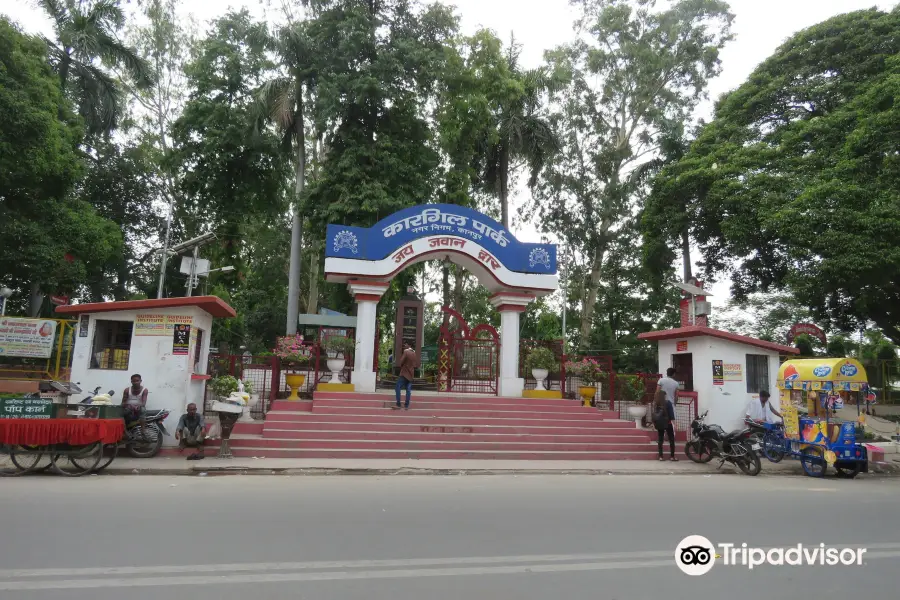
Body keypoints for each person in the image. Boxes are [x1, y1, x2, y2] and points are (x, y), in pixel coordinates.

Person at [651, 389, 677, 461]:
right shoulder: (668, 403)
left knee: (660, 440)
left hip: (659, 424)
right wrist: (674, 425)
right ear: (664, 396)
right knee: (671, 440)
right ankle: (672, 456)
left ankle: (661, 456)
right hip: (668, 423)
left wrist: (653, 423)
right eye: (665, 395)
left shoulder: (656, 403)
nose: (666, 396)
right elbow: (671, 415)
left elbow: (654, 415)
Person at [122, 374, 148, 438]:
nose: (135, 382)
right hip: (128, 408)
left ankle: (143, 431)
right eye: (134, 381)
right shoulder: (127, 390)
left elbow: (144, 403)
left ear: (140, 381)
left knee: (143, 409)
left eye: (137, 381)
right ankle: (125, 432)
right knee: (120, 414)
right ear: (131, 382)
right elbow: (123, 403)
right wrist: (129, 405)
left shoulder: (144, 390)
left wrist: (138, 406)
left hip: (139, 408)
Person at [394, 342, 418, 410]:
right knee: (408, 390)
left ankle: (398, 404)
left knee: (397, 387)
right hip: (411, 374)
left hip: (404, 373)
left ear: (409, 345)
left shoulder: (406, 352)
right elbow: (415, 364)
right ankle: (406, 405)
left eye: (406, 344)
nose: (404, 345)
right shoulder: (414, 353)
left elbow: (401, 362)